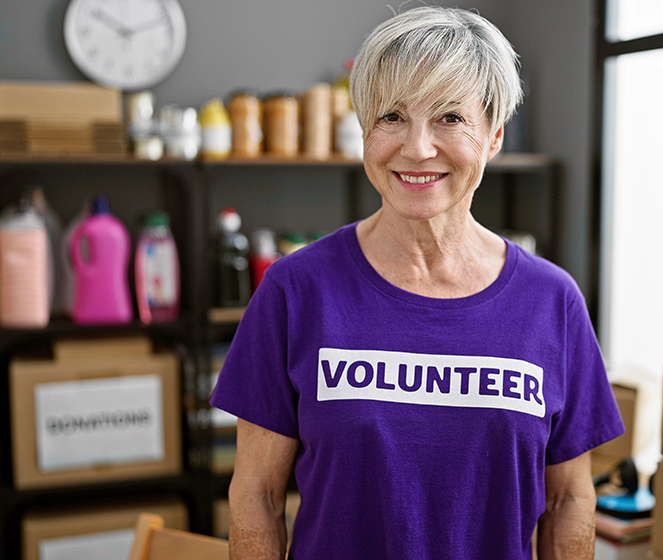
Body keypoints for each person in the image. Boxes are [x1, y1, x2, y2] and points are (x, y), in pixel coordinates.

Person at [210, 6, 624, 559]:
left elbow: (571, 500)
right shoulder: (294, 290)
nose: (417, 148)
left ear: (494, 136)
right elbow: (256, 497)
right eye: (391, 117)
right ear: (365, 131)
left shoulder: (551, 301)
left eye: (450, 117)